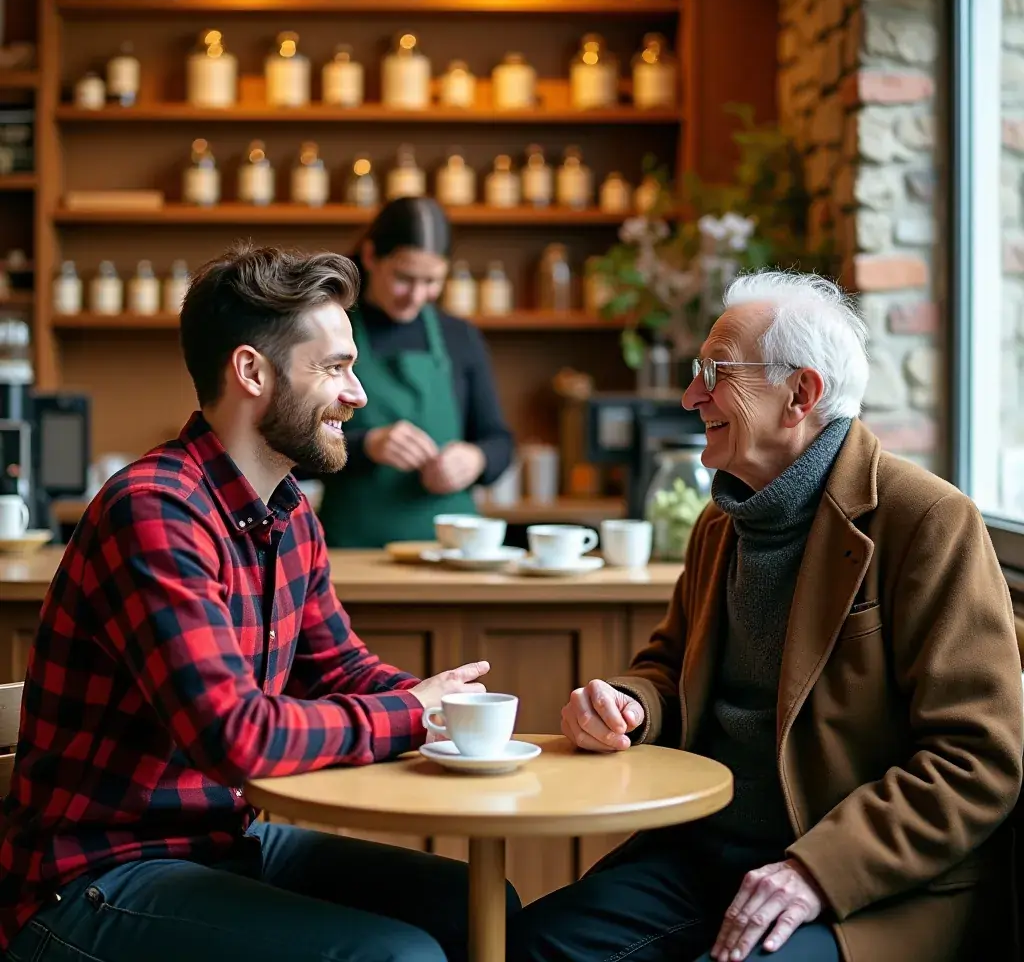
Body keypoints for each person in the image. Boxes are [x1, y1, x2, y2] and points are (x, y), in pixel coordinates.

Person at [0, 244, 520, 962]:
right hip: (95, 880)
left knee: (480, 908)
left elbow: (340, 669)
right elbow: (234, 737)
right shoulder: (153, 511)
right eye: (335, 367)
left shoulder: (287, 512)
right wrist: (412, 712)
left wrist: (455, 712)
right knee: (398, 957)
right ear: (252, 371)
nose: (357, 393)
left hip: (220, 844)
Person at [507, 271, 1023, 962]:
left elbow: (978, 758)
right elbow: (666, 666)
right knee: (529, 947)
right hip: (704, 858)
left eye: (713, 373)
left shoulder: (927, 520)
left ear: (800, 395)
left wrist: (818, 870)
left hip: (863, 887)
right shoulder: (722, 522)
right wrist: (628, 705)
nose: (691, 397)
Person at [316, 196, 514, 548]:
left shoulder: (459, 336)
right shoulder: (330, 327)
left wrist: (476, 459)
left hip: (453, 551)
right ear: (372, 255)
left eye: (432, 281)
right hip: (353, 548)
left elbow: (499, 441)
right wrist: (366, 446)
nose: (417, 296)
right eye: (404, 278)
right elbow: (289, 444)